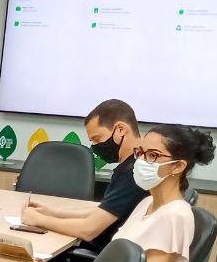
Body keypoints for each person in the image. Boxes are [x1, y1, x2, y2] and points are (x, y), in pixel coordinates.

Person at [16, 125, 215, 262]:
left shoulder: (174, 217)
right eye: (140, 153)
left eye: (152, 155)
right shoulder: (147, 203)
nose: (141, 161)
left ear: (177, 166)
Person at [20, 98, 149, 249]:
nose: (94, 146)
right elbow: (105, 210)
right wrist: (52, 212)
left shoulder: (132, 173)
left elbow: (88, 230)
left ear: (121, 129)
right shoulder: (133, 165)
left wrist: (38, 220)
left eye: (97, 139)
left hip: (102, 256)